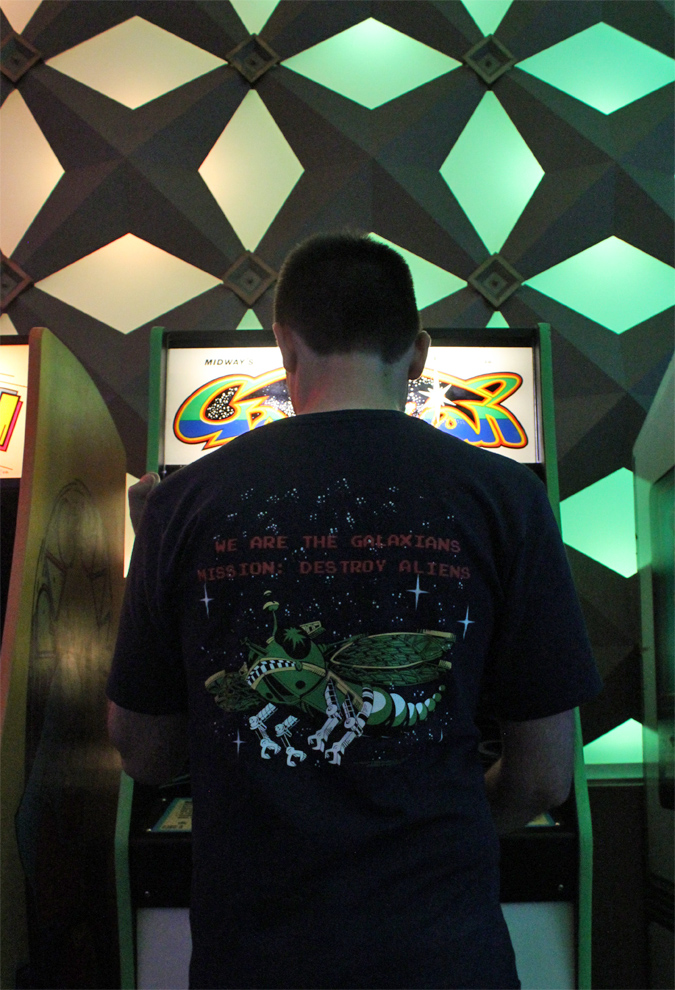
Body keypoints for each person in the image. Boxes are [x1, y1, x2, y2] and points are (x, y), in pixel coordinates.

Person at [107, 233, 601, 990]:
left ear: (284, 345)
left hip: (255, 958)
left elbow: (144, 752)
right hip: (443, 952)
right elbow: (543, 777)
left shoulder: (180, 505)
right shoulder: (509, 498)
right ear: (419, 353)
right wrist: (445, 831)